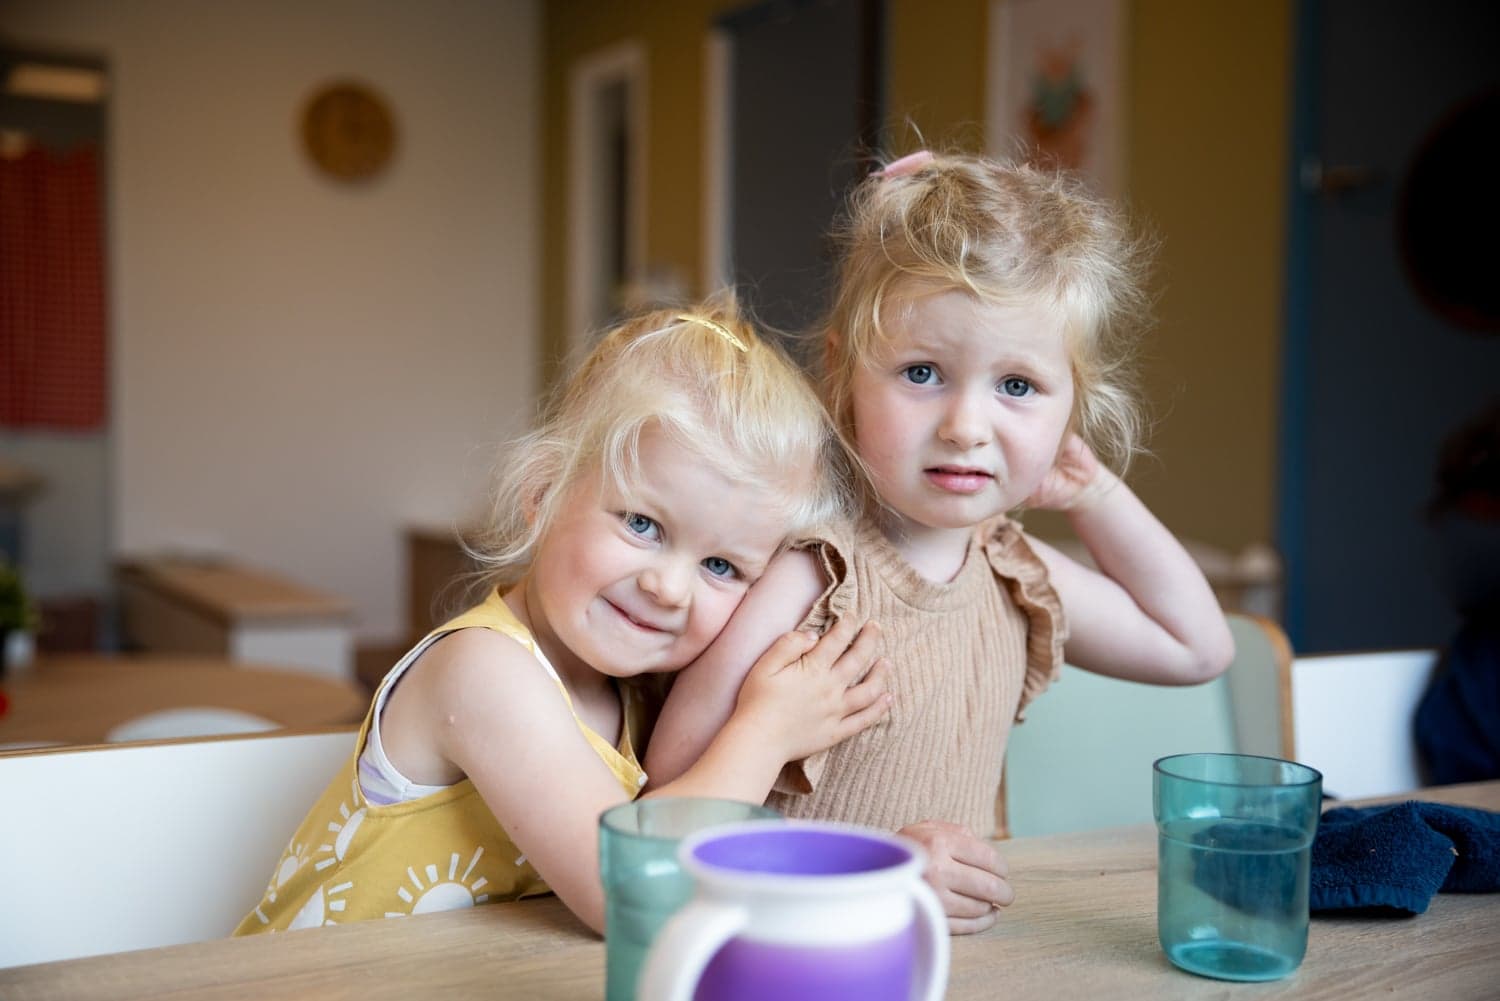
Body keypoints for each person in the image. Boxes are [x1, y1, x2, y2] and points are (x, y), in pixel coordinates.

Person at [645, 151, 1235, 934]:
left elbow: (1196, 646)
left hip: (955, 959)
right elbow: (665, 804)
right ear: (844, 371)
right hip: (796, 948)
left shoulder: (1010, 568)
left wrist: (1093, 492)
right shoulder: (809, 573)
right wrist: (876, 867)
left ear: (1071, 408)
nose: (965, 426)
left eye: (1018, 387)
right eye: (923, 372)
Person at [235, 298, 891, 936]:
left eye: (721, 566)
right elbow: (627, 892)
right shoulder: (483, 670)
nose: (668, 587)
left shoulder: (630, 698)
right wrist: (767, 732)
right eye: (642, 523)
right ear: (543, 492)